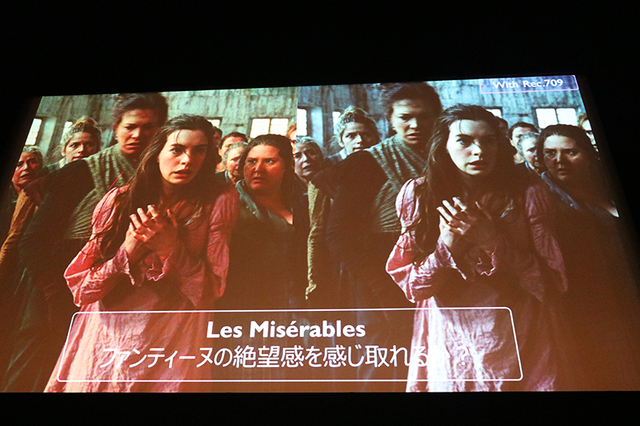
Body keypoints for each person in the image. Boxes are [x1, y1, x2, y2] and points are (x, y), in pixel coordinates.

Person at [43, 114, 238, 392]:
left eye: (199, 151)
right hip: (106, 341)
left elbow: (210, 291)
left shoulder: (218, 201)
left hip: (169, 344)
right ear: (157, 153)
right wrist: (128, 253)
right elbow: (82, 290)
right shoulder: (119, 200)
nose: (187, 160)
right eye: (177, 149)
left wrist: (170, 248)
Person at [386, 105, 568, 392]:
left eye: (488, 141)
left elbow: (551, 285)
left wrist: (492, 241)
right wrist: (446, 247)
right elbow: (414, 287)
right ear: (444, 146)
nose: (479, 151)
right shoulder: (420, 194)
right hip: (450, 337)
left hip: (519, 335)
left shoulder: (527, 193)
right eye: (464, 141)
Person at [1, 92, 168, 392]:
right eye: (130, 127)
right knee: (35, 367)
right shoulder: (81, 172)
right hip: (55, 289)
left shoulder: (160, 177)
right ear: (116, 128)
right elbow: (33, 242)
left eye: (148, 127)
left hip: (114, 294)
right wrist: (53, 292)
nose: (138, 135)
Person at [319, 82, 442, 391]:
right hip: (379, 278)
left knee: (434, 361)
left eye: (424, 117)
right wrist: (378, 286)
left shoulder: (447, 159)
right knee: (384, 363)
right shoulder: (366, 163)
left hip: (437, 274)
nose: (415, 125)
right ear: (390, 119)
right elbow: (338, 236)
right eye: (405, 117)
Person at [538, 124, 640, 390]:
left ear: (588, 153)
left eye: (570, 152)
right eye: (550, 153)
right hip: (592, 302)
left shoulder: (604, 185)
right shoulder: (544, 198)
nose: (559, 160)